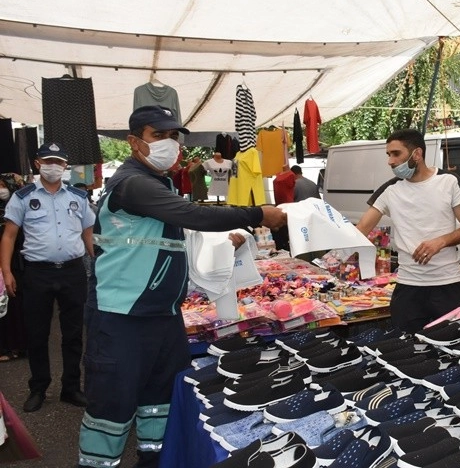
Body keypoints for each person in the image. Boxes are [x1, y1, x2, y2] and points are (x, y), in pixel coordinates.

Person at [77, 105, 286, 468]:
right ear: (133, 142)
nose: (170, 143)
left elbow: (181, 236)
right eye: (158, 136)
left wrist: (226, 242)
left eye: (173, 136)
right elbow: (193, 216)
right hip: (120, 317)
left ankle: (154, 461)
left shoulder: (162, 184)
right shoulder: (132, 184)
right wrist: (256, 213)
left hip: (163, 317)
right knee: (112, 406)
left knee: (159, 401)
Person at [1, 144, 95, 413]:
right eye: (48, 160)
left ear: (65, 166)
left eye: (59, 162)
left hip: (73, 271)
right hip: (37, 274)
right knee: (37, 334)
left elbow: (88, 234)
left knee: (74, 333)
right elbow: (8, 236)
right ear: (37, 163)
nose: (54, 166)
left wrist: (99, 263)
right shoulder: (22, 196)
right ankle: (38, 388)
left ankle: (71, 388)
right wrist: (6, 272)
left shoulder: (78, 196)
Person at [355, 128, 460, 333]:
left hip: (448, 285)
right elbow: (361, 229)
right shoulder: (390, 190)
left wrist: (440, 241)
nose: (390, 161)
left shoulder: (448, 182)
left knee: (457, 346)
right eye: (388, 155)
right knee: (407, 349)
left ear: (417, 154)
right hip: (408, 288)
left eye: (396, 154)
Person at [0, 173, 29, 364]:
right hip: (5, 266)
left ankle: (17, 347)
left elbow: (15, 238)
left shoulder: (20, 208)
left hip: (16, 265)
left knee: (14, 307)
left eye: (2, 185)